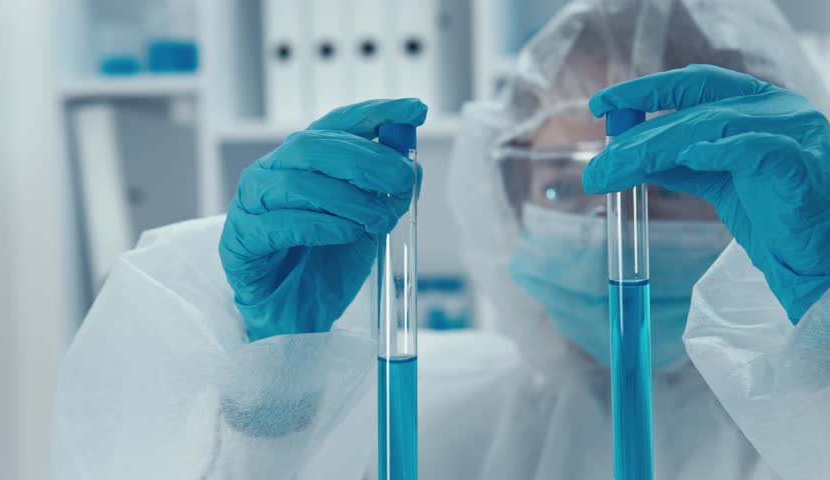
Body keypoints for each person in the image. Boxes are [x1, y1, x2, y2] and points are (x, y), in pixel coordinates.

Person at [52, 0, 830, 478]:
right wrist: (275, 389)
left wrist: (826, 333)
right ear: (506, 204)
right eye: (563, 187)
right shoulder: (434, 415)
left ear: (766, 199)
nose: (613, 224)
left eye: (670, 184)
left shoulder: (805, 434)